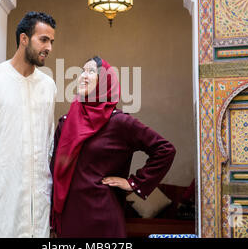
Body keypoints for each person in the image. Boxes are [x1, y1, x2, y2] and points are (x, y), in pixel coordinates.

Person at [50, 56, 176, 238]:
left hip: (103, 220)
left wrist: (134, 183)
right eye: (82, 71)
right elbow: (54, 171)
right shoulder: (66, 123)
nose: (83, 76)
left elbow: (165, 150)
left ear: (105, 80)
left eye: (91, 71)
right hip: (69, 219)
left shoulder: (119, 123)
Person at [0, 12, 57, 237]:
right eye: (43, 40)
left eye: (51, 42)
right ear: (24, 39)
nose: (49, 48)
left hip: (38, 204)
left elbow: (49, 145)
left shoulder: (48, 86)